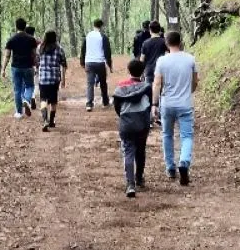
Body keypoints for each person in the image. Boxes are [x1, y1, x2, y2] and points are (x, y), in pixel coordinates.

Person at [153, 27, 198, 186]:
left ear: (166, 44)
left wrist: (155, 104)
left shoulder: (162, 61)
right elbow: (195, 82)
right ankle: (184, 162)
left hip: (167, 104)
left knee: (167, 135)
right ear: (181, 42)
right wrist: (187, 92)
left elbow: (157, 83)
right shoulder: (190, 59)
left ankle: (170, 167)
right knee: (186, 136)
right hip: (185, 104)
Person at [111, 57, 153, 197]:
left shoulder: (121, 87)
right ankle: (139, 178)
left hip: (126, 124)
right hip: (142, 123)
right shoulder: (146, 86)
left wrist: (123, 116)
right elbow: (149, 104)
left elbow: (117, 106)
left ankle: (130, 184)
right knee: (140, 151)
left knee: (128, 152)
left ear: (128, 71)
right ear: (142, 72)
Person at [1, 15, 38, 118]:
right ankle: (26, 100)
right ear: (25, 26)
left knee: (17, 89)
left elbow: (7, 55)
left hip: (16, 67)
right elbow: (34, 54)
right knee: (30, 86)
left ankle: (18, 112)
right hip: (28, 66)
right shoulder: (31, 39)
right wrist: (36, 66)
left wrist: (3, 69)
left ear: (16, 26)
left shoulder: (11, 39)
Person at [36, 28, 68, 130]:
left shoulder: (40, 48)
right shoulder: (59, 48)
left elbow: (37, 62)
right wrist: (63, 79)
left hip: (43, 78)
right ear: (55, 37)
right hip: (54, 79)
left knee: (43, 100)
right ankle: (51, 121)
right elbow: (64, 65)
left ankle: (45, 120)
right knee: (53, 101)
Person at [79, 18, 113, 110]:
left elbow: (83, 49)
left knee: (90, 83)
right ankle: (105, 102)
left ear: (93, 25)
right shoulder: (103, 36)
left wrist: (82, 61)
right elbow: (107, 52)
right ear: (101, 26)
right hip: (100, 62)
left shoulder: (88, 35)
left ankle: (89, 104)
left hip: (89, 62)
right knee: (103, 83)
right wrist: (110, 65)